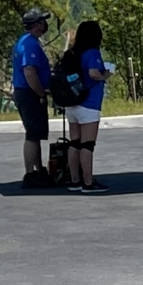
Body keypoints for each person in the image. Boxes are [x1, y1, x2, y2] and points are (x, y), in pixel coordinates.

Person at [60, 20, 113, 193]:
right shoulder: (92, 53)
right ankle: (88, 182)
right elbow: (93, 73)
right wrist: (106, 75)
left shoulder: (73, 52)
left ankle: (75, 180)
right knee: (87, 145)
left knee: (74, 142)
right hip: (89, 103)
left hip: (72, 102)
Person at [12, 9, 52, 188]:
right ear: (37, 24)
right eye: (42, 21)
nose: (44, 25)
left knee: (36, 134)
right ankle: (30, 173)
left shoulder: (25, 41)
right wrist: (41, 93)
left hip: (26, 92)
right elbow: (29, 72)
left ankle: (38, 169)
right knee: (32, 133)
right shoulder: (30, 45)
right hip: (29, 93)